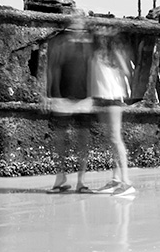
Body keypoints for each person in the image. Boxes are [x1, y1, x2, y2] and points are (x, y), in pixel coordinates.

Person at [44, 19, 95, 193]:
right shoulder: (60, 43)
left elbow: (92, 71)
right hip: (63, 99)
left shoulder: (87, 46)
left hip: (83, 100)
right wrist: (52, 95)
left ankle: (81, 182)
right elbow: (53, 69)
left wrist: (92, 96)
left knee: (83, 143)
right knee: (60, 141)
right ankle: (61, 178)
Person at [89, 25, 137, 197]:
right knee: (111, 139)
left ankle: (127, 182)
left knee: (116, 139)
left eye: (103, 36)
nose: (100, 37)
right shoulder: (96, 54)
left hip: (113, 99)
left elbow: (127, 71)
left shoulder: (113, 54)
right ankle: (116, 180)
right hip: (101, 99)